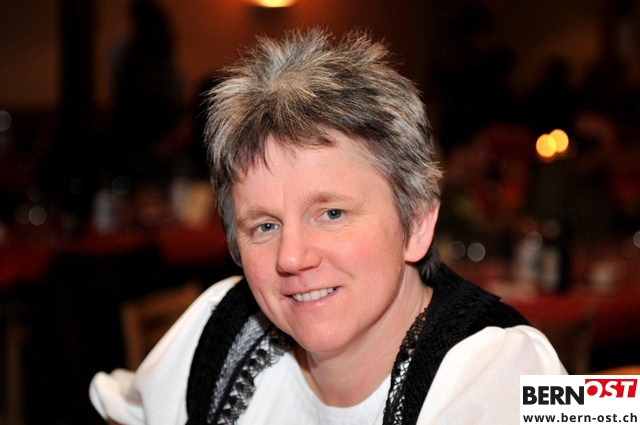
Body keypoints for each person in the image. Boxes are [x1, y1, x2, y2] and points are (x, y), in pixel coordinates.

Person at [89, 28, 565, 425]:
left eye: (332, 214)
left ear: (417, 221)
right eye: (264, 226)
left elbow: (601, 406)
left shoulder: (508, 370)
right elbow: (122, 407)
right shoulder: (221, 324)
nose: (292, 257)